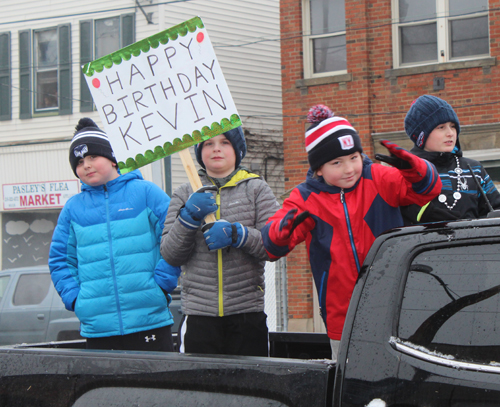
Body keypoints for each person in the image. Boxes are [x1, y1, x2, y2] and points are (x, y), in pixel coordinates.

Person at [260, 105, 442, 360]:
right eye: (337, 162)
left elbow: (428, 190)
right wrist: (278, 233)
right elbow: (271, 247)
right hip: (341, 315)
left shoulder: (378, 177)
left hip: (396, 303)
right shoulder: (305, 197)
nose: (349, 169)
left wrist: (416, 169)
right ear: (318, 169)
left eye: (354, 157)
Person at [49, 118, 181, 351]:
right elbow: (60, 260)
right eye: (79, 161)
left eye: (92, 157)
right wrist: (77, 300)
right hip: (98, 328)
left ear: (112, 158)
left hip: (150, 321)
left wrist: (161, 285)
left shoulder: (146, 192)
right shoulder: (72, 208)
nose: (86, 165)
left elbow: (176, 237)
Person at [160, 126, 280, 356]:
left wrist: (238, 234)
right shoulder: (184, 193)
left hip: (247, 316)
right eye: (208, 143)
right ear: (199, 151)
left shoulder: (256, 189)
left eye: (225, 142)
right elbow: (170, 254)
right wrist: (188, 218)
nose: (216, 149)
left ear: (237, 150)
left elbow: (273, 245)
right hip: (198, 317)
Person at [401, 94, 500, 224]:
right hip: (425, 243)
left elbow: (496, 210)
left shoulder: (474, 169)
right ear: (422, 136)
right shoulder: (406, 172)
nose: (450, 133)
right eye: (441, 127)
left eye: (453, 126)